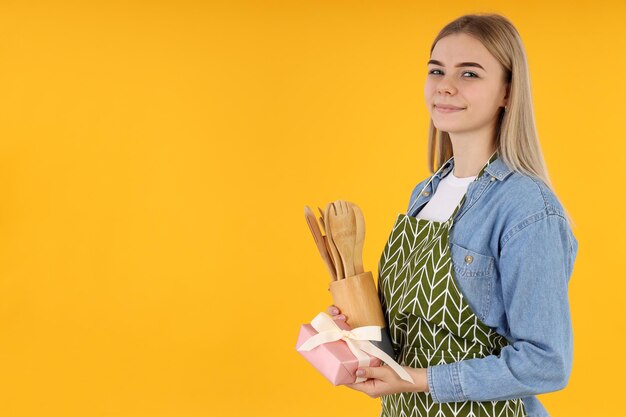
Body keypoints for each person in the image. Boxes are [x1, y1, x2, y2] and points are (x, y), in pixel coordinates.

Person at [327, 13, 578, 417]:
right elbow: (416, 334)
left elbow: (547, 362)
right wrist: (360, 331)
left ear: (507, 93)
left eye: (470, 74)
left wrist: (419, 380)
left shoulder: (526, 207)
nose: (445, 85)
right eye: (437, 70)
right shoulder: (425, 194)